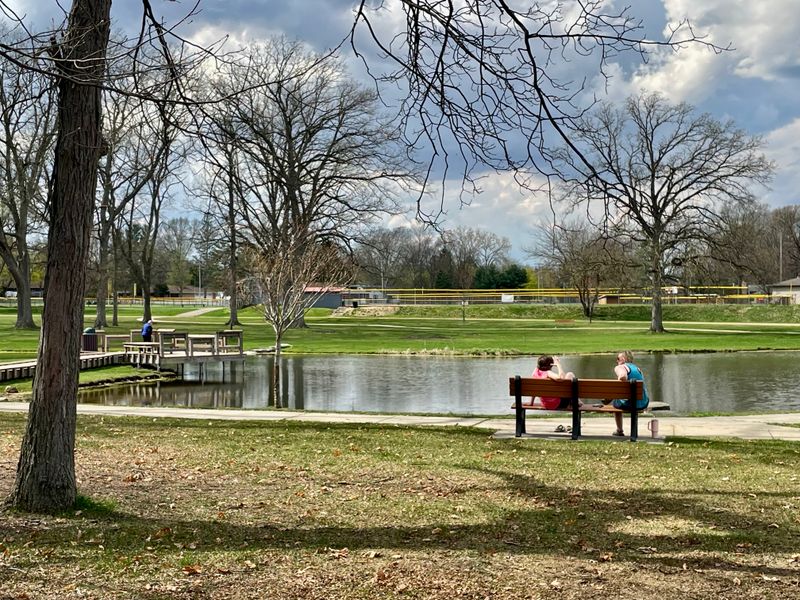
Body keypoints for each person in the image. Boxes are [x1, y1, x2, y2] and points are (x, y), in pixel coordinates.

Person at [610, 350, 649, 436]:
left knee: (615, 402)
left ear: (623, 359)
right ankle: (634, 432)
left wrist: (618, 381)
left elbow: (623, 376)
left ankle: (619, 430)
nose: (617, 361)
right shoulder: (638, 369)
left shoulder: (620, 367)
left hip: (629, 404)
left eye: (618, 358)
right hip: (642, 403)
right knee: (630, 399)